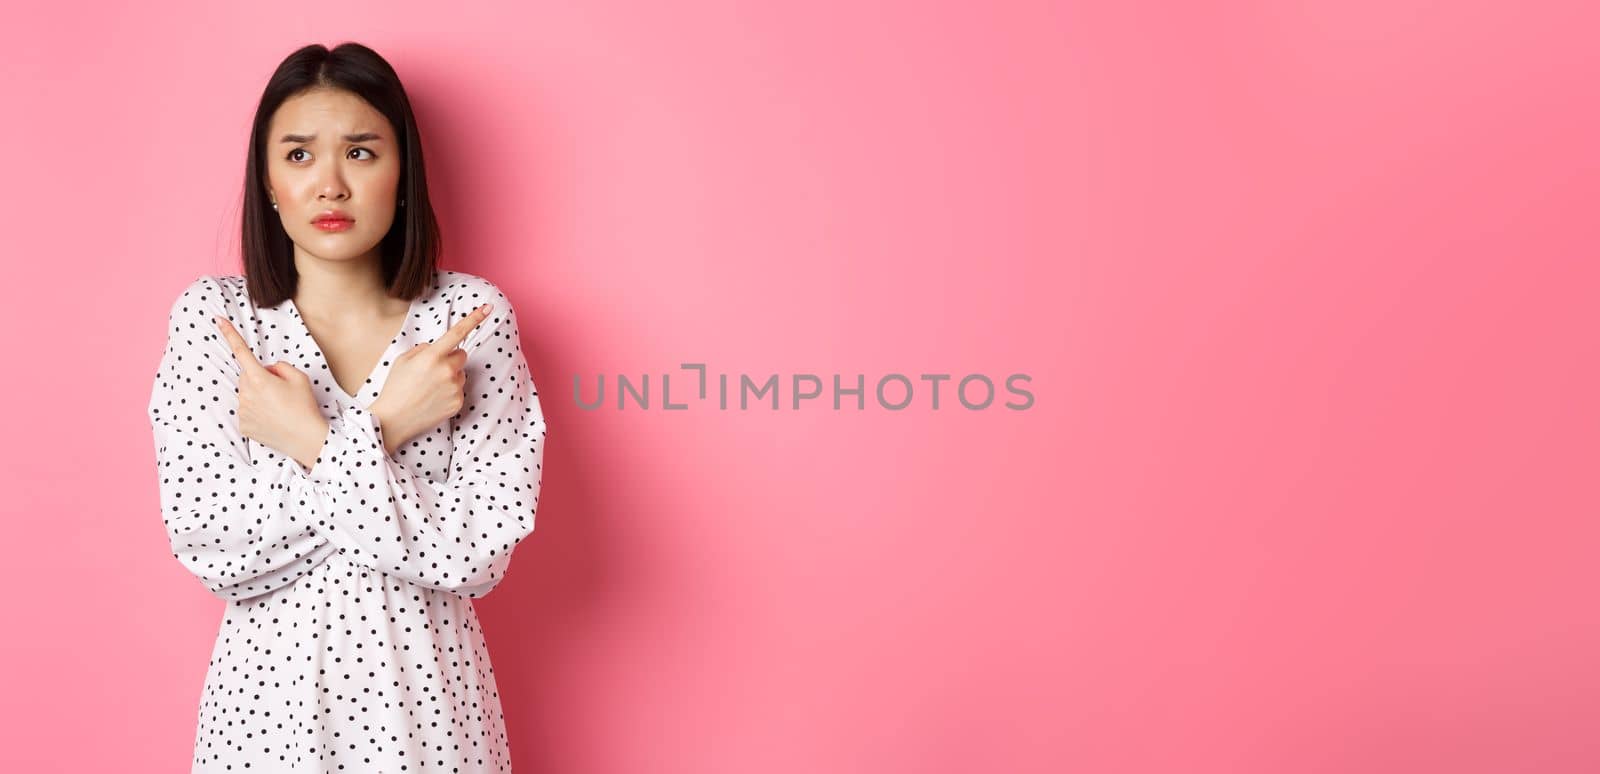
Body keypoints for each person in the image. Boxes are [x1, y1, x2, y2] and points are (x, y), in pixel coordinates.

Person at [146, 42, 546, 773]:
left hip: (430, 710)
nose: (329, 184)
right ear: (267, 181)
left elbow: (478, 553)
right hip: (265, 718)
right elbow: (215, 543)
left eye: (360, 153)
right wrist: (384, 427)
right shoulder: (219, 322)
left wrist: (312, 441)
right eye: (298, 156)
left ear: (403, 173)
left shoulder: (469, 319)